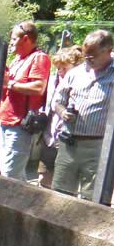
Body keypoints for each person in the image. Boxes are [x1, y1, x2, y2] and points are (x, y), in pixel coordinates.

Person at [51, 29, 114, 198]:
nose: (87, 60)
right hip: (68, 143)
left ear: (108, 51)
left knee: (92, 199)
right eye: (85, 56)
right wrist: (63, 112)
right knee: (59, 195)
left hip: (98, 147)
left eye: (92, 57)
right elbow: (57, 100)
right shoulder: (75, 73)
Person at [0, 21, 51, 180]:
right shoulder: (17, 59)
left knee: (10, 174)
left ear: (26, 39)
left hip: (20, 124)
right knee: (7, 172)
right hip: (5, 121)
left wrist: (10, 83)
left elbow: (38, 88)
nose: (11, 42)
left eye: (14, 39)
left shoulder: (39, 58)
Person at [38, 46, 83, 188]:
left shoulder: (82, 84)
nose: (60, 72)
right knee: (43, 179)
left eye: (64, 68)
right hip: (49, 137)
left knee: (64, 184)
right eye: (58, 68)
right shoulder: (53, 81)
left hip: (68, 140)